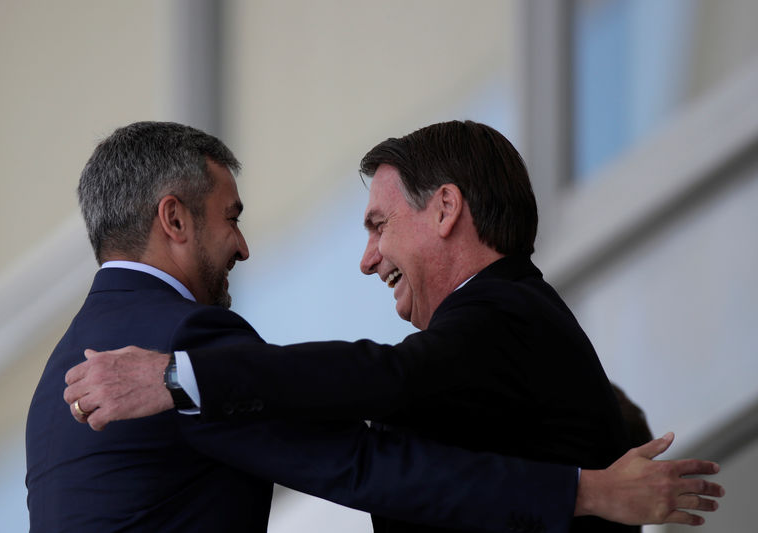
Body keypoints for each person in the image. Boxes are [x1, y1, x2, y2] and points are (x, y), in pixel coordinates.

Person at [62, 121, 724, 530]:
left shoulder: (507, 311)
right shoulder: (512, 323)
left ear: (444, 210)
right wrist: (591, 489)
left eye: (379, 225)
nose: (367, 258)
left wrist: (177, 376)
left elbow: (389, 380)